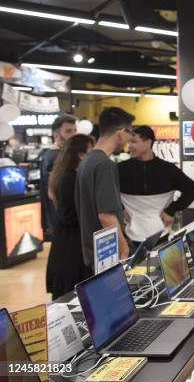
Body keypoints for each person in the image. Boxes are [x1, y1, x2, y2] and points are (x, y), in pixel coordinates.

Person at [76, 107, 134, 268]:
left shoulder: (87, 161)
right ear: (121, 132)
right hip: (108, 253)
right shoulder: (104, 165)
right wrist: (124, 248)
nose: (129, 140)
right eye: (130, 133)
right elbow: (106, 216)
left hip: (93, 252)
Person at [119, 126, 194, 243]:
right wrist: (119, 208)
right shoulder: (120, 169)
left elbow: (192, 190)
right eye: (129, 142)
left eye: (134, 142)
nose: (129, 146)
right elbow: (108, 193)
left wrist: (171, 211)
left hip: (161, 237)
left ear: (148, 142)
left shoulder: (168, 169)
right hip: (129, 239)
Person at [45, 134, 94, 299]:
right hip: (70, 247)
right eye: (91, 151)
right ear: (81, 155)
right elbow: (68, 215)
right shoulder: (69, 179)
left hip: (71, 243)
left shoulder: (70, 176)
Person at [40, 115, 77, 238]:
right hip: (62, 219)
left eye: (74, 130)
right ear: (56, 135)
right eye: (68, 131)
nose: (73, 134)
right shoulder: (55, 156)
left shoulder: (63, 154)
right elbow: (52, 192)